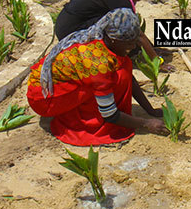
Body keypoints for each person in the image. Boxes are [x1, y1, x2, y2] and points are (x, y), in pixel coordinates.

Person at [27, 8, 167, 146]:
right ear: (113, 39)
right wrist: (146, 123)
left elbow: (129, 78)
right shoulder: (98, 63)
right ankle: (85, 120)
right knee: (112, 80)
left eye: (135, 40)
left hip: (60, 84)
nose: (134, 45)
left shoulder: (104, 39)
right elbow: (110, 114)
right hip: (43, 97)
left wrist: (150, 110)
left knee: (123, 68)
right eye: (129, 42)